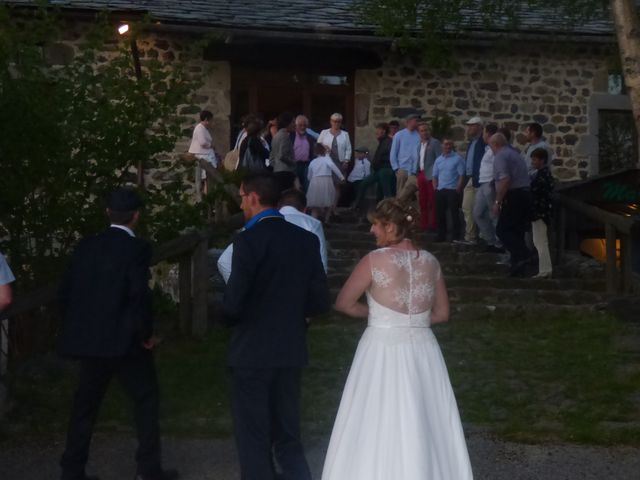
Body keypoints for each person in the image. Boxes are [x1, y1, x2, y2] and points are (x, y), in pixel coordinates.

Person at [322, 198, 473, 480]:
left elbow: (344, 303)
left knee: (376, 415)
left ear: (391, 226)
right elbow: (442, 314)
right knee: (425, 415)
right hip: (423, 348)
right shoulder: (431, 262)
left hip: (381, 347)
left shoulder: (373, 261)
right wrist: (411, 321)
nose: (371, 232)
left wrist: (379, 317)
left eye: (375, 226)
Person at [58, 189, 177, 480]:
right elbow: (139, 295)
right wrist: (146, 333)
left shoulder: (85, 247)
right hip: (126, 341)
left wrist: (75, 327)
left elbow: (66, 293)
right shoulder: (137, 250)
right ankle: (148, 469)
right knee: (145, 400)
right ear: (136, 216)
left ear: (107, 213)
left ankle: (72, 470)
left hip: (90, 340)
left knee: (84, 407)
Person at [223, 173, 329, 480]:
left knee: (253, 433)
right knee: (287, 429)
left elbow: (234, 302)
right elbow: (319, 301)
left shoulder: (248, 240)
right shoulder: (306, 240)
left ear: (254, 198)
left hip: (252, 350)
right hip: (290, 347)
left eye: (242, 197)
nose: (241, 203)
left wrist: (226, 318)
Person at [217, 188, 329, 280]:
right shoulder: (312, 224)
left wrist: (241, 288)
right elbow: (321, 267)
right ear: (304, 209)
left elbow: (224, 261)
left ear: (277, 207)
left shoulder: (258, 222)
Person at [490, 133, 532, 277]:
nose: (491, 150)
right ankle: (518, 267)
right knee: (516, 231)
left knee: (502, 230)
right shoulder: (515, 154)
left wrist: (497, 201)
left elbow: (505, 179)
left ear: (495, 145)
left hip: (513, 195)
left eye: (491, 146)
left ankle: (524, 254)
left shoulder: (501, 156)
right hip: (524, 194)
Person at [472, 124, 504, 253]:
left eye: (484, 133)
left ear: (489, 134)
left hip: (490, 183)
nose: (483, 135)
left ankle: (500, 242)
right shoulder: (488, 149)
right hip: (482, 183)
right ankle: (491, 240)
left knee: (494, 214)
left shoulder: (496, 150)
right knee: (478, 213)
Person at [352, 123, 395, 210]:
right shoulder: (382, 142)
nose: (376, 132)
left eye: (378, 131)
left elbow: (386, 157)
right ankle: (357, 205)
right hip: (379, 170)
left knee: (387, 193)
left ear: (383, 131)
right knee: (364, 184)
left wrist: (378, 164)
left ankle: (389, 211)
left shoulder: (388, 142)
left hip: (385, 170)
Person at [458, 116, 486, 245]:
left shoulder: (483, 142)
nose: (469, 128)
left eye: (472, 125)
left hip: (479, 179)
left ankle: (482, 236)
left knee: (479, 210)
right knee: (466, 207)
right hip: (470, 178)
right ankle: (471, 235)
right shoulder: (471, 143)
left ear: (479, 127)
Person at [432, 139, 466, 242]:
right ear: (442, 145)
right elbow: (434, 176)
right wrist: (435, 188)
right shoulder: (438, 160)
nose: (448, 146)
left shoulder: (458, 159)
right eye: (446, 144)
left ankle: (456, 235)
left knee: (454, 214)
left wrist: (458, 188)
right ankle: (441, 235)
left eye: (450, 144)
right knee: (440, 214)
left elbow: (461, 175)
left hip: (452, 190)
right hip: (440, 190)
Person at [317, 113, 352, 209]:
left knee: (337, 185)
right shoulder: (324, 132)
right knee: (327, 185)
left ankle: (334, 207)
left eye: (339, 121)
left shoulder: (345, 134)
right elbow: (318, 144)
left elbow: (348, 148)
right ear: (331, 122)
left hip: (339, 162)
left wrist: (346, 160)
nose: (336, 123)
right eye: (335, 121)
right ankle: (325, 207)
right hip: (326, 162)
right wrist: (325, 147)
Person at [529, 148, 555, 278]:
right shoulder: (544, 175)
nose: (532, 162)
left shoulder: (542, 176)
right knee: (539, 241)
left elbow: (537, 194)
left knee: (540, 242)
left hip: (540, 212)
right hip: (540, 212)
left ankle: (545, 269)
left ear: (542, 160)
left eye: (535, 159)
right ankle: (545, 268)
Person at [307, 143, 345, 224]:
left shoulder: (313, 162)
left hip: (315, 181)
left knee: (315, 204)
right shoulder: (326, 159)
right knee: (328, 201)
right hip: (326, 180)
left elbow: (309, 174)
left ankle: (314, 221)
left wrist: (311, 180)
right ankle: (326, 220)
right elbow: (333, 166)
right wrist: (341, 177)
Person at [416, 122, 442, 231]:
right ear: (419, 133)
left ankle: (434, 224)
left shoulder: (435, 143)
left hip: (431, 175)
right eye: (422, 131)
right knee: (422, 200)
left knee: (432, 201)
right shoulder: (419, 145)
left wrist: (436, 175)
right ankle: (424, 224)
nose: (424, 133)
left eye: (426, 130)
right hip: (421, 173)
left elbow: (439, 159)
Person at [390, 113, 421, 196]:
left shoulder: (419, 136)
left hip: (415, 170)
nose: (417, 123)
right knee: (400, 193)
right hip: (402, 169)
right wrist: (396, 168)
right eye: (416, 121)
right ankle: (399, 208)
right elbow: (393, 152)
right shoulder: (399, 135)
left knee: (415, 192)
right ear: (409, 121)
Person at [188, 110, 217, 196]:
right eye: (210, 120)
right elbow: (203, 142)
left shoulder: (203, 128)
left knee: (208, 179)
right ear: (206, 119)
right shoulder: (200, 128)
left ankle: (208, 195)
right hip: (203, 155)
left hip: (206, 154)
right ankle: (207, 197)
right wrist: (211, 146)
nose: (211, 122)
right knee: (207, 178)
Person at [269, 112, 297, 191]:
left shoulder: (276, 136)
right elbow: (282, 155)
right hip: (285, 172)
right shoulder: (285, 136)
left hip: (276, 171)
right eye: (293, 122)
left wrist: (276, 166)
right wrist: (293, 162)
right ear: (287, 123)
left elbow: (271, 157)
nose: (294, 125)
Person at [290, 115, 316, 191]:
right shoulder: (291, 137)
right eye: (300, 125)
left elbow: (313, 151)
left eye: (304, 125)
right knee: (295, 187)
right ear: (296, 126)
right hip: (294, 165)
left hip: (306, 165)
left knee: (307, 186)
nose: (302, 127)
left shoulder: (310, 138)